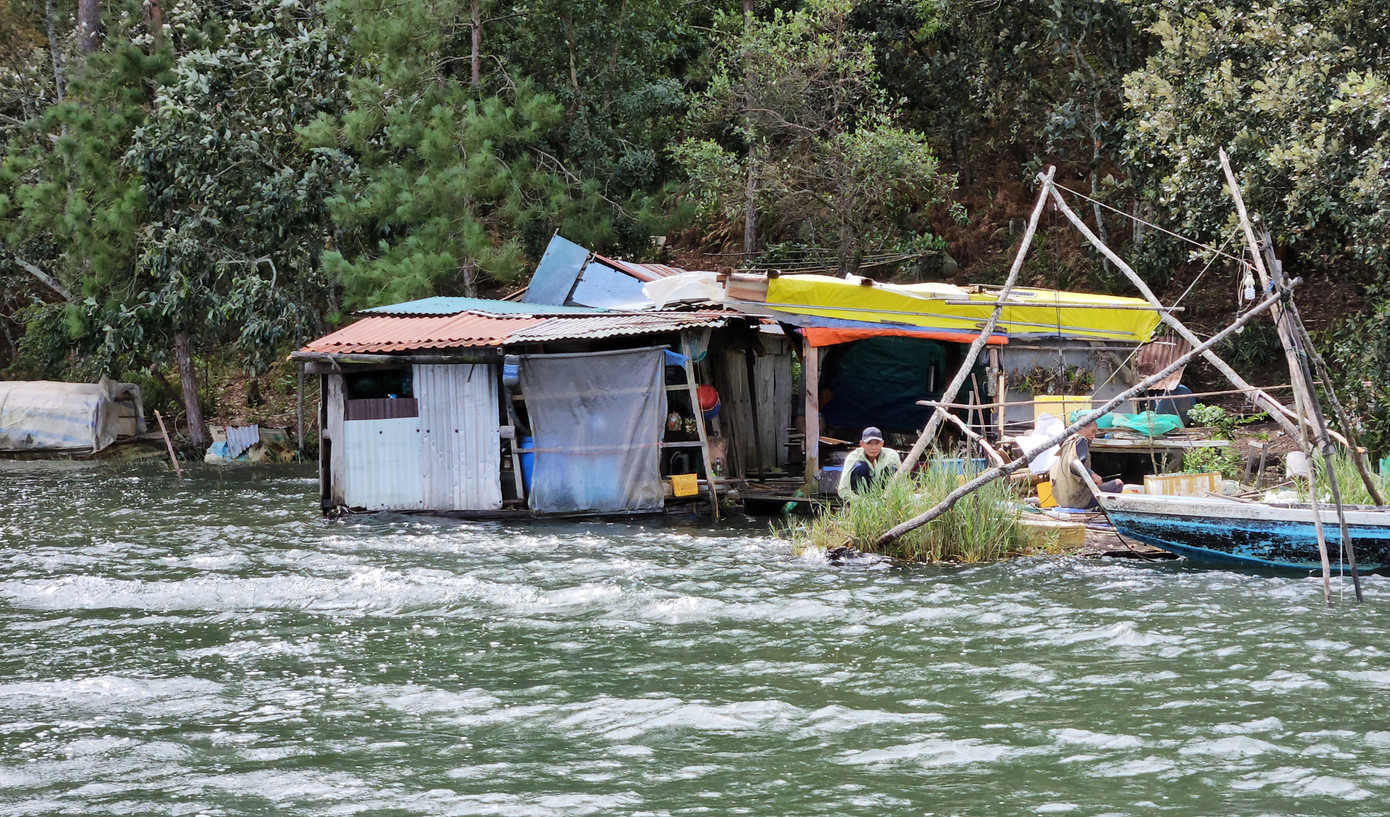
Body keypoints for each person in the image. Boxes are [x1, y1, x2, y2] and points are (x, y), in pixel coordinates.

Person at [1048, 421, 1123, 509]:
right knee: (1118, 483)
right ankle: (1097, 511)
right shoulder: (1081, 440)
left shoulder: (1066, 443)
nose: (1093, 436)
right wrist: (1092, 475)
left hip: (1062, 502)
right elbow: (1075, 464)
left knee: (1097, 486)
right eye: (1092, 431)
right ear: (1080, 428)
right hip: (1077, 500)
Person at [838, 426, 901, 497]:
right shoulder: (853, 457)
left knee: (892, 468)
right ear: (862, 444)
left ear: (882, 443)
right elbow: (843, 490)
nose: (873, 447)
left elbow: (901, 483)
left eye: (876, 443)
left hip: (886, 496)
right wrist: (862, 502)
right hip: (860, 499)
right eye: (869, 443)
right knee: (861, 467)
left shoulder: (892, 455)